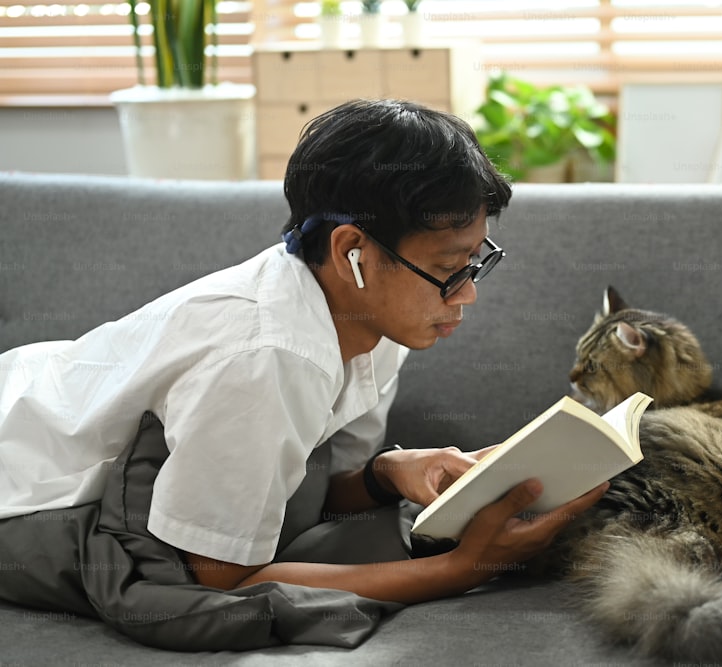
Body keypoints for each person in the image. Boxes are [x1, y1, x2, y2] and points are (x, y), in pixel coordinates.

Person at [0, 99, 607, 607]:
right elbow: (220, 578)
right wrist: (461, 571)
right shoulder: (267, 357)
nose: (468, 294)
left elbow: (302, 492)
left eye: (477, 262)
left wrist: (388, 472)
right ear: (352, 252)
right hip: (24, 483)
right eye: (450, 269)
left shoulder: (372, 319)